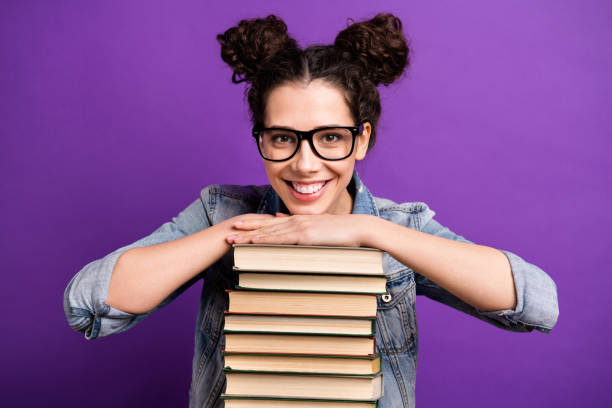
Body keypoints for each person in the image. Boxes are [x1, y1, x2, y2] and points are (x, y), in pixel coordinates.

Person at [63, 13, 559, 408]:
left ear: (361, 139)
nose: (305, 164)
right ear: (260, 139)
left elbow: (537, 305)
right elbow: (89, 304)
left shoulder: (400, 227)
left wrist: (368, 231)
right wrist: (229, 235)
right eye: (282, 138)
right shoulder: (222, 212)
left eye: (329, 138)